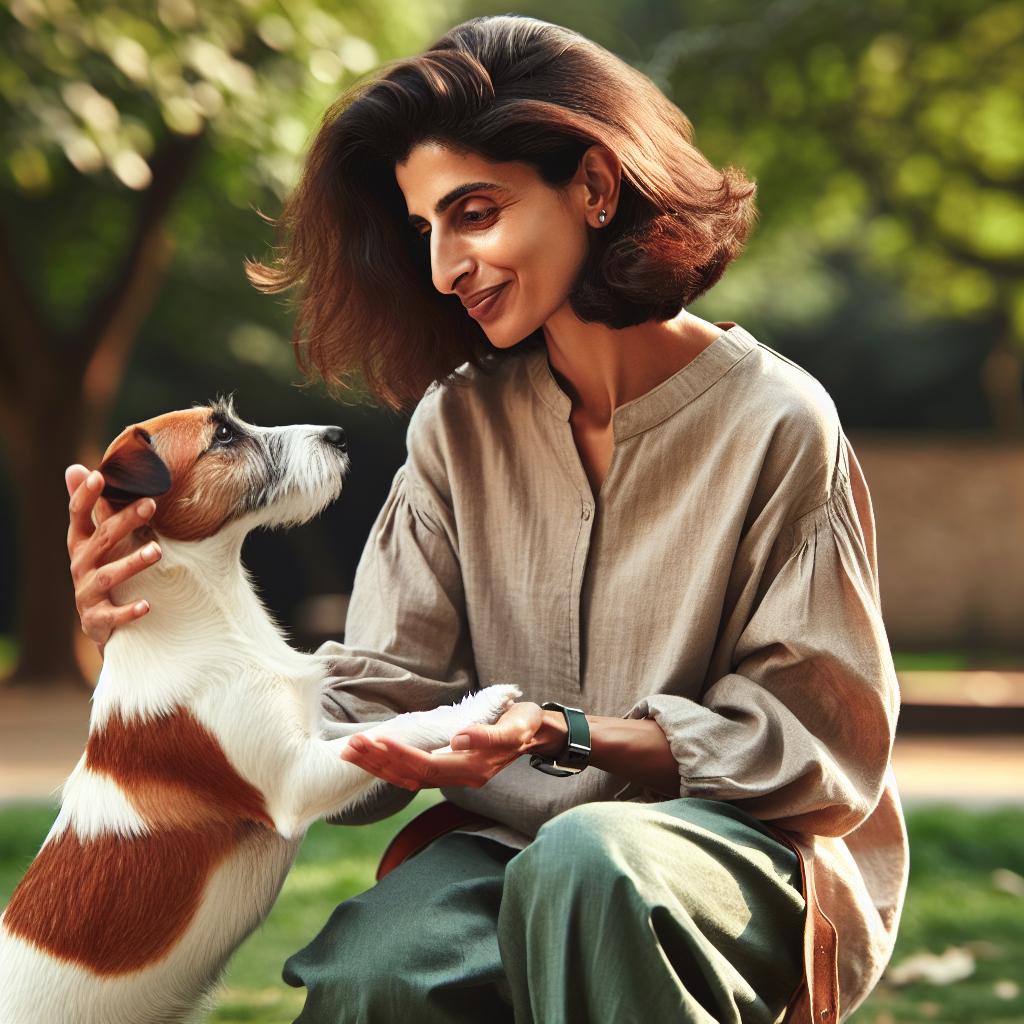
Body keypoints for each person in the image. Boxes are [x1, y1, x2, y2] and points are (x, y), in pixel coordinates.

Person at [65, 14, 909, 1024]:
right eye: (425, 228)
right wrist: (157, 615)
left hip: (742, 853)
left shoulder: (778, 420)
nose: (441, 267)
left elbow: (821, 744)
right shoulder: (456, 425)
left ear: (595, 187)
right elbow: (375, 705)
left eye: (472, 213)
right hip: (500, 850)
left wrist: (574, 733)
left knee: (591, 865)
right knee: (373, 966)